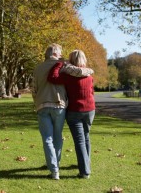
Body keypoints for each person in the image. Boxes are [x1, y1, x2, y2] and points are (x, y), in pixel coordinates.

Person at [32, 44, 93, 180]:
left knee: (47, 138)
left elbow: (35, 88)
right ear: (55, 53)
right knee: (58, 136)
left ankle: (54, 170)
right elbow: (81, 74)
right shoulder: (66, 67)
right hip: (61, 105)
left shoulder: (38, 68)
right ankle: (63, 165)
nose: (62, 55)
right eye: (60, 53)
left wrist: (36, 103)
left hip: (43, 105)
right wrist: (89, 70)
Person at [47, 49, 95, 179]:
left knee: (79, 140)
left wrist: (59, 64)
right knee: (86, 136)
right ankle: (86, 163)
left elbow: (52, 77)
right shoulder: (89, 75)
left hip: (75, 110)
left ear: (71, 60)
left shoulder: (68, 75)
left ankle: (85, 171)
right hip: (90, 109)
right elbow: (92, 92)